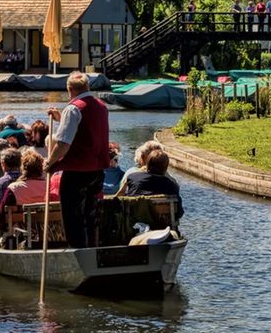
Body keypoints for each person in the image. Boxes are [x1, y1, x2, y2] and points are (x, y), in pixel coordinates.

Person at [45, 70, 110, 248]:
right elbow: (86, 130)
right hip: (97, 171)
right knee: (91, 214)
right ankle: (92, 249)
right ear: (87, 87)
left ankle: (79, 252)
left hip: (76, 172)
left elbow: (63, 143)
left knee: (73, 216)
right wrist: (61, 118)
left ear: (70, 89)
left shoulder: (73, 108)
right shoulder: (101, 106)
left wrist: (50, 163)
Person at [123, 148, 184, 219]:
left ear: (147, 164)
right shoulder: (172, 185)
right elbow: (179, 213)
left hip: (135, 218)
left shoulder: (133, 177)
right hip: (159, 222)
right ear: (165, 168)